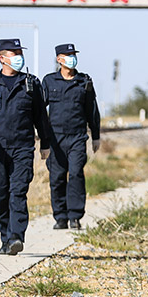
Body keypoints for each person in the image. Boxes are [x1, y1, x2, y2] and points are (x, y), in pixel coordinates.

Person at [0, 38, 51, 255]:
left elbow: (41, 117)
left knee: (18, 192)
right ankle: (5, 237)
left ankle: (16, 236)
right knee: (0, 195)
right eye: (13, 54)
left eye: (19, 53)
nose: (18, 57)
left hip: (23, 148)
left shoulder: (31, 84)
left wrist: (45, 143)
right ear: (1, 58)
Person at [42, 43, 101, 230]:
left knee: (76, 174)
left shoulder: (84, 81)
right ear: (59, 59)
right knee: (57, 177)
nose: (72, 58)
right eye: (67, 55)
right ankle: (60, 217)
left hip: (77, 137)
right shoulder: (49, 81)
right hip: (56, 139)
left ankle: (75, 216)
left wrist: (96, 135)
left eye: (73, 54)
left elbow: (92, 111)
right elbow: (39, 110)